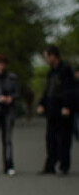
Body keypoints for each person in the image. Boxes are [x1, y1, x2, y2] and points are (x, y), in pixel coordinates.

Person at [37, 45, 75, 175]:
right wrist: (42, 103)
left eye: (46, 57)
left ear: (53, 56)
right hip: (52, 109)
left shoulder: (66, 70)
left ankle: (64, 165)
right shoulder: (51, 72)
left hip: (62, 109)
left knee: (64, 138)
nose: (46, 60)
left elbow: (70, 90)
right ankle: (50, 164)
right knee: (50, 138)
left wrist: (67, 106)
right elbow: (47, 90)